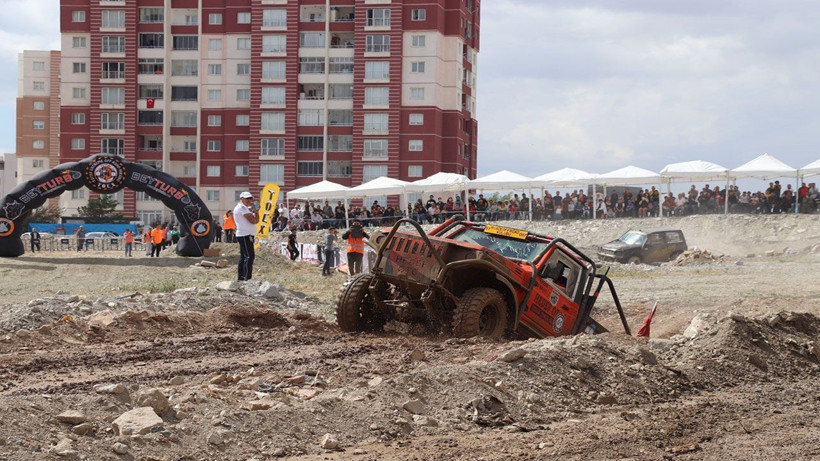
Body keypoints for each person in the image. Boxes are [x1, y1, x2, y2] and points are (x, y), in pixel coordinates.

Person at [234, 191, 259, 281]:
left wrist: (255, 211)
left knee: (244, 256)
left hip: (247, 234)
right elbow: (254, 221)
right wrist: (255, 212)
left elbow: (256, 220)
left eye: (250, 198)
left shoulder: (246, 208)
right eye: (247, 198)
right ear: (241, 199)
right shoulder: (242, 208)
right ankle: (246, 278)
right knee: (249, 256)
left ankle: (241, 277)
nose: (249, 200)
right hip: (245, 235)